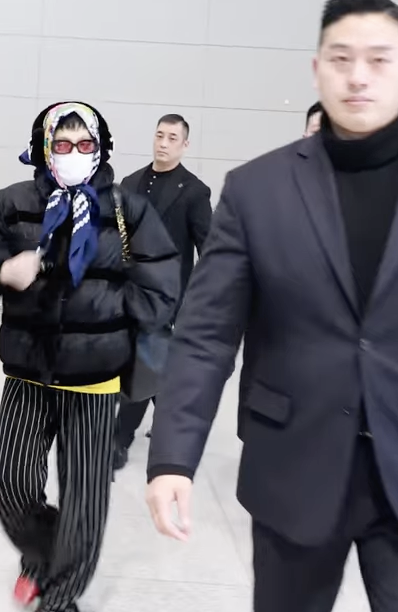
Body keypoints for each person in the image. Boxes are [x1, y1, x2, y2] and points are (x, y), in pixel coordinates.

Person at [146, 0, 398, 610]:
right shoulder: (257, 188)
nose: (358, 76)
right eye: (341, 59)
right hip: (294, 469)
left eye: (379, 60)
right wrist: (173, 457)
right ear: (316, 69)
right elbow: (205, 335)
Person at [0, 101, 180, 612]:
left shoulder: (126, 209)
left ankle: (60, 595)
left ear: (100, 149)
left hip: (96, 377)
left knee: (84, 497)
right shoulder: (12, 202)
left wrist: (108, 310)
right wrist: (1, 270)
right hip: (28, 370)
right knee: (11, 480)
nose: (74, 153)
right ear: (44, 148)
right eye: (62, 143)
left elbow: (162, 283)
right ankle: (44, 552)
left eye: (84, 144)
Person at [113, 114, 212, 470]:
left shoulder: (194, 191)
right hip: (128, 291)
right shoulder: (129, 183)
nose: (164, 143)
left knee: (144, 363)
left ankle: (119, 439)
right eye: (159, 135)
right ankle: (174, 424)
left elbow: (208, 249)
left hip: (166, 296)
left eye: (172, 138)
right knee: (147, 365)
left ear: (185, 145)